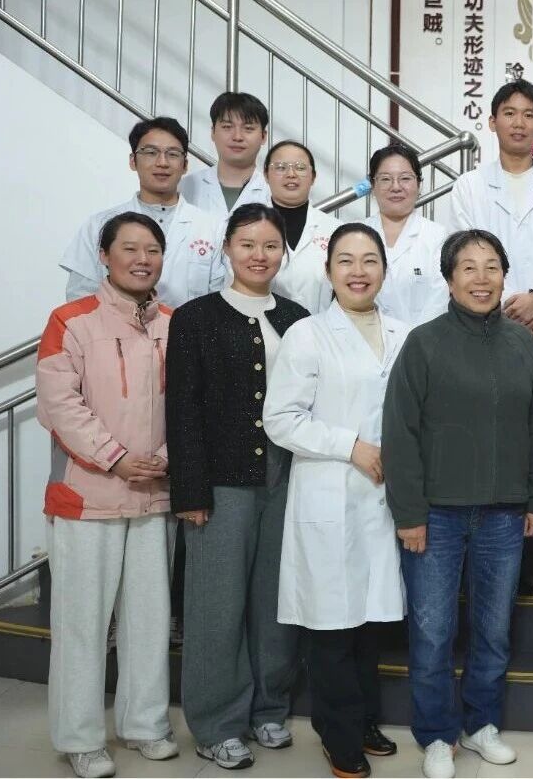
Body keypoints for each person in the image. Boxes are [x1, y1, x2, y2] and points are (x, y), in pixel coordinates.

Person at [381, 230, 533, 779]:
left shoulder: (522, 345)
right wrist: (409, 514)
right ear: (449, 278)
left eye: (492, 266)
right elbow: (400, 432)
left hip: (504, 512)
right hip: (437, 514)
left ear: (505, 276)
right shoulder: (424, 343)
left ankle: (481, 724)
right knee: (432, 631)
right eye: (468, 268)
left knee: (494, 628)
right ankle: (436, 733)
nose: (481, 278)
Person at [166, 204, 310, 770]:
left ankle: (269, 707)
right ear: (226, 248)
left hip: (286, 475)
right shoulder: (195, 318)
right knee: (216, 604)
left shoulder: (298, 317)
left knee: (275, 599)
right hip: (220, 479)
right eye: (247, 243)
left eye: (271, 245)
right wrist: (190, 491)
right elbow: (182, 409)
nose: (259, 255)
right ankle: (216, 723)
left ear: (283, 253)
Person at [37, 212, 178, 779]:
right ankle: (80, 738)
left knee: (149, 620)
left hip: (154, 494)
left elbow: (189, 401)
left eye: (153, 250)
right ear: (104, 255)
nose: (142, 259)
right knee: (82, 625)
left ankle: (144, 724)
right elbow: (59, 405)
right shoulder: (71, 320)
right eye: (130, 248)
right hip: (87, 498)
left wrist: (165, 456)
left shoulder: (175, 323)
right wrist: (116, 457)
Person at [263, 223, 406, 779]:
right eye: (345, 260)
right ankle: (338, 735)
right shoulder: (307, 334)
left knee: (367, 623)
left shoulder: (402, 332)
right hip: (329, 491)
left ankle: (364, 721)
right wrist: (351, 446)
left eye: (370, 260)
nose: (358, 271)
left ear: (384, 270)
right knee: (331, 627)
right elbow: (280, 419)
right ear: (328, 271)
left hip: (382, 499)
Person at [452, 80, 533, 340]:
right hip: (488, 317)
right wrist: (514, 306)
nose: (519, 123)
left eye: (529, 115)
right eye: (509, 113)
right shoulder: (469, 186)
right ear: (492, 122)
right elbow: (462, 253)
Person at [60, 117, 226, 307]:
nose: (162, 162)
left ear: (185, 165)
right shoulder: (99, 224)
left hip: (190, 327)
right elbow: (80, 297)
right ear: (133, 161)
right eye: (151, 152)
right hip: (115, 326)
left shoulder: (213, 228)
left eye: (172, 154)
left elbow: (220, 299)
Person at [363, 143, 450, 327]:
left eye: (405, 178)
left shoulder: (437, 236)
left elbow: (439, 299)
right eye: (385, 179)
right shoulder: (356, 234)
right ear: (372, 185)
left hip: (422, 340)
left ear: (419, 184)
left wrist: (415, 340)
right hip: (363, 337)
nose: (396, 187)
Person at [264, 139, 342, 313]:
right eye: (281, 167)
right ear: (266, 175)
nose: (291, 174)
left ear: (313, 177)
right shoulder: (249, 228)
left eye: (300, 167)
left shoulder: (336, 230)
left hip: (320, 326)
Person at [180, 92, 271, 216]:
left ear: (263, 136)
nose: (237, 137)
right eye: (227, 127)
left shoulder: (273, 191)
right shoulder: (186, 187)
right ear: (213, 132)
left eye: (248, 128)